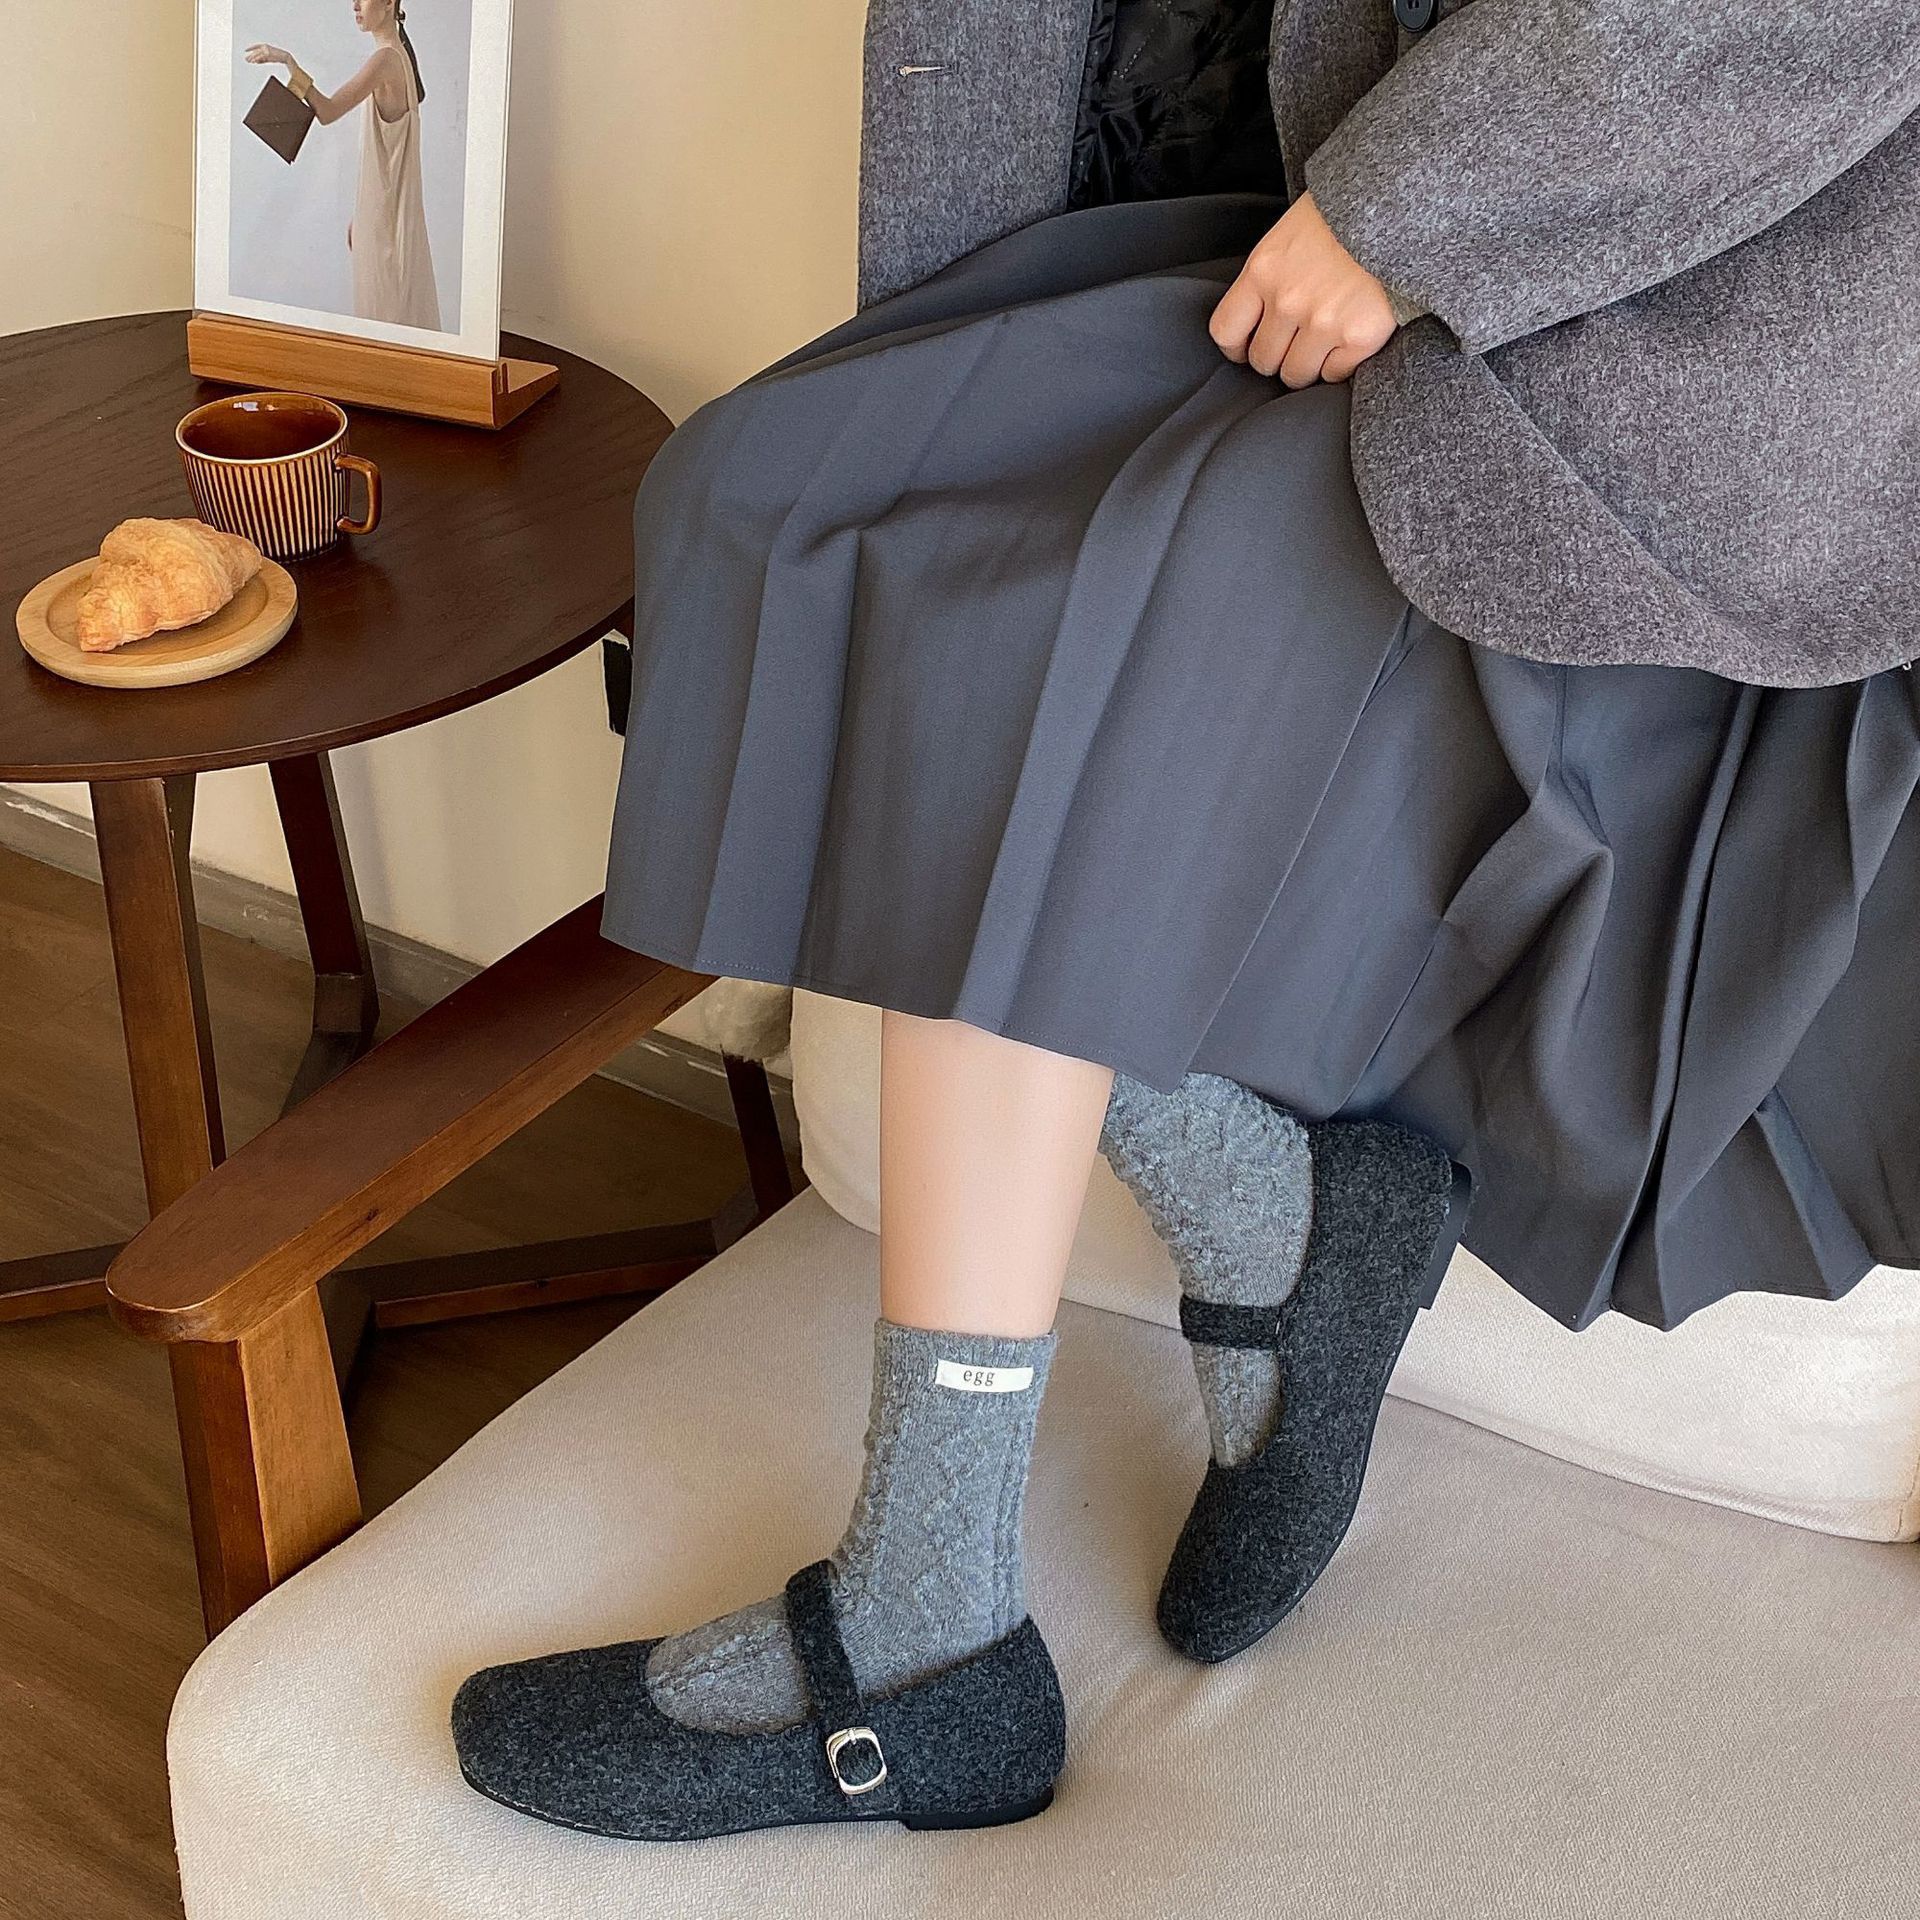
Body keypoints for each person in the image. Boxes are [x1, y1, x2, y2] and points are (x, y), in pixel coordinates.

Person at [450, 0, 1920, 1844]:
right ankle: (1272, 1211)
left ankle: (925, 1628)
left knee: (1005, 680)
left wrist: (1416, 205)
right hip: (1244, 170)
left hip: (1607, 289)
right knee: (754, 503)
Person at [247, 0, 440, 332]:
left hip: (384, 226)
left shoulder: (385, 60)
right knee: (397, 314)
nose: (354, 5)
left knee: (383, 321)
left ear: (389, 2)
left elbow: (327, 111)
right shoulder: (401, 56)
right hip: (388, 218)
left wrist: (288, 61)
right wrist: (362, 214)